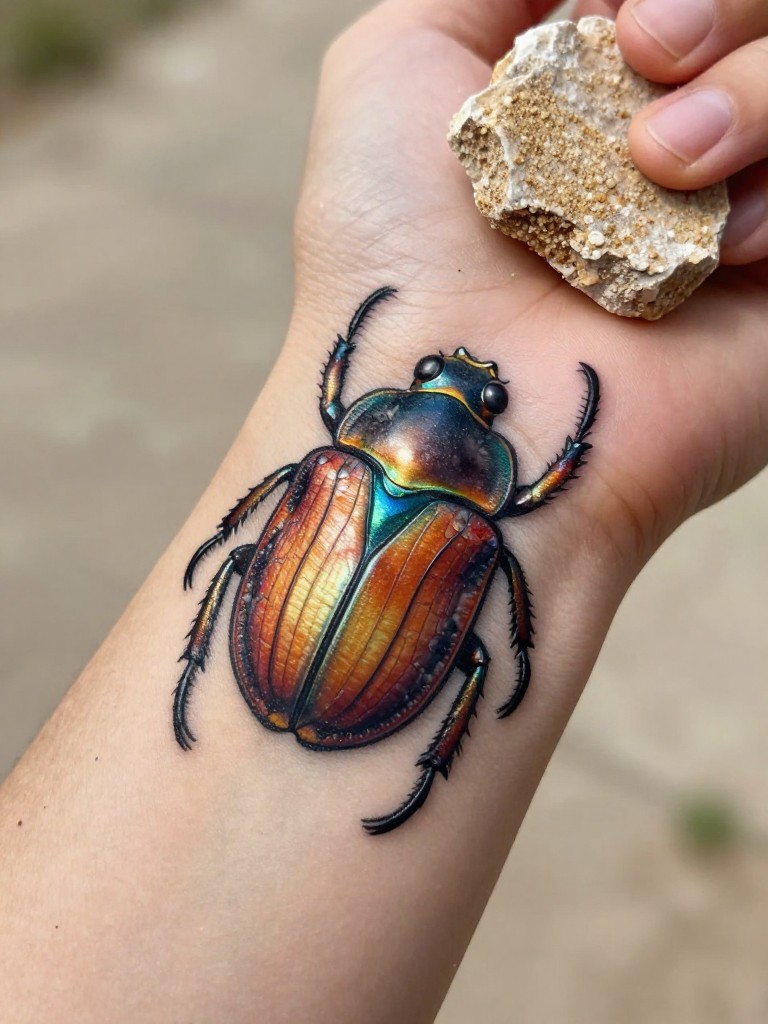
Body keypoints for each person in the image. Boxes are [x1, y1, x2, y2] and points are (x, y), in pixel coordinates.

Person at [1, 0, 766, 1019]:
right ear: (494, 445)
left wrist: (368, 325)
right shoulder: (479, 515)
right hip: (372, 668)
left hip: (307, 641)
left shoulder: (333, 461)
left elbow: (311, 448)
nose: (466, 380)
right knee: (485, 654)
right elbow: (546, 487)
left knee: (246, 563)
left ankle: (214, 676)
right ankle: (381, 742)